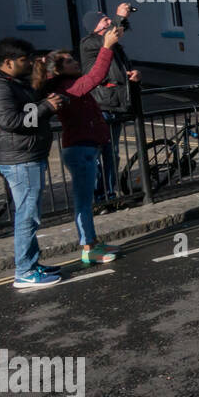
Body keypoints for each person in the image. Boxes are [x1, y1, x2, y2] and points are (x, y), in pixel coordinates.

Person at [0, 39, 66, 288]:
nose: (30, 62)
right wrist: (45, 107)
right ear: (8, 62)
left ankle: (32, 263)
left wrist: (44, 101)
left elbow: (24, 110)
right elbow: (11, 120)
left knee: (30, 214)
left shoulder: (12, 82)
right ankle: (25, 271)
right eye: (24, 59)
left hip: (27, 156)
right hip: (20, 159)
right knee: (28, 216)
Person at [39, 30, 125, 265]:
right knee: (83, 202)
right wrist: (106, 46)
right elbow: (95, 76)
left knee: (86, 200)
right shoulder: (65, 88)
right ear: (57, 70)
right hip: (79, 150)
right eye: (69, 61)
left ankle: (93, 242)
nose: (75, 61)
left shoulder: (71, 85)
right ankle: (88, 248)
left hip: (86, 148)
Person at [78, 1, 138, 201]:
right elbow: (111, 37)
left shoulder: (115, 46)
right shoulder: (89, 42)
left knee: (112, 153)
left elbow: (120, 68)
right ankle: (97, 196)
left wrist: (132, 74)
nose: (110, 21)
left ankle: (110, 194)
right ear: (96, 26)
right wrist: (120, 17)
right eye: (105, 20)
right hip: (102, 105)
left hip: (116, 104)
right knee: (97, 153)